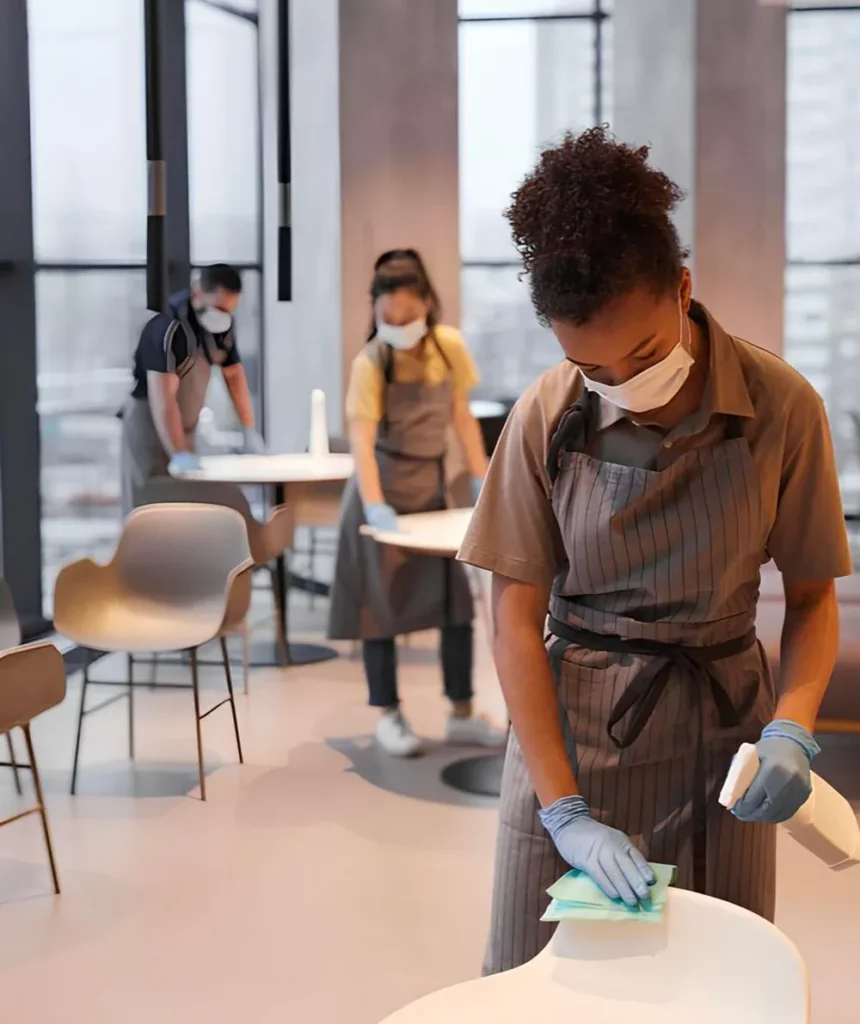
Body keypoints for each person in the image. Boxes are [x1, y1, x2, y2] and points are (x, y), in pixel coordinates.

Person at [458, 128, 851, 974]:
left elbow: (812, 596)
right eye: (590, 366)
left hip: (722, 739)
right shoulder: (546, 418)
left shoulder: (782, 408)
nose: (622, 386)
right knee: (538, 981)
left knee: (712, 979)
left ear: (682, 288)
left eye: (640, 354)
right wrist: (564, 813)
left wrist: (793, 724)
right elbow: (514, 622)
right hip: (571, 742)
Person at [329, 249, 506, 757]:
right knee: (379, 608)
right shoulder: (371, 362)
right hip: (380, 489)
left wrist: (483, 477)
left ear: (427, 303)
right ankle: (389, 714)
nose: (398, 325)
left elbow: (462, 418)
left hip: (431, 489)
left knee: (455, 602)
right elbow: (362, 442)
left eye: (406, 315)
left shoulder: (448, 347)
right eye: (388, 316)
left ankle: (462, 712)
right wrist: (375, 506)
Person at [120, 263, 264, 514]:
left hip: (185, 424)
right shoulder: (166, 327)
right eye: (219, 308)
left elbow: (234, 375)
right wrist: (179, 453)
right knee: (152, 509)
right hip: (150, 426)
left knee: (188, 511)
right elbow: (163, 399)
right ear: (198, 293)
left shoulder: (221, 328)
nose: (224, 316)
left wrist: (249, 429)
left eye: (229, 310)